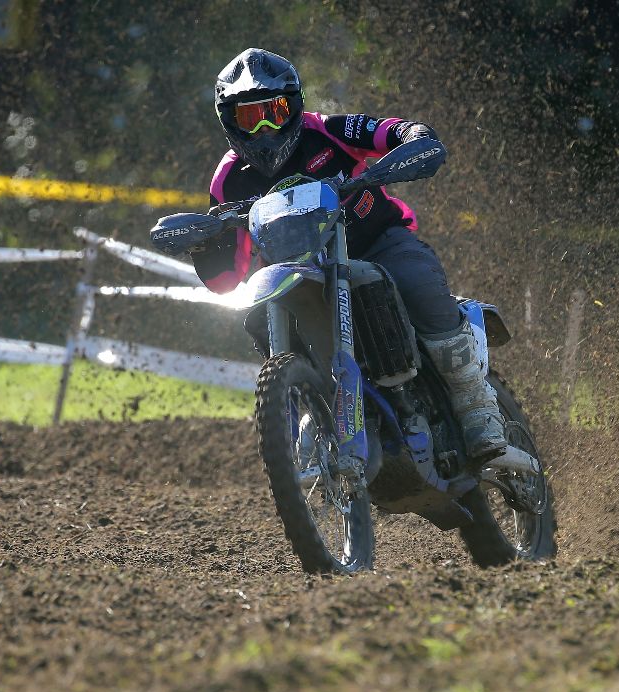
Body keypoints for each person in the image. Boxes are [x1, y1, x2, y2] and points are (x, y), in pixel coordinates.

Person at [193, 47, 506, 459]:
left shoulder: (328, 131)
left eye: (275, 110)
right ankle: (312, 406)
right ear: (229, 121)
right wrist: (203, 242)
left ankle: (477, 406)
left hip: (379, 243)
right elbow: (225, 281)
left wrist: (414, 138)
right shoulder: (228, 180)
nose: (266, 127)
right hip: (297, 271)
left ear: (295, 106)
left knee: (416, 284)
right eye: (250, 117)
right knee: (258, 314)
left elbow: (389, 131)